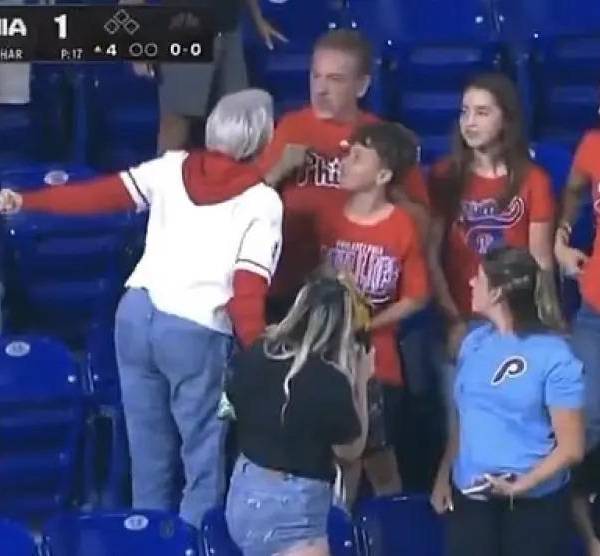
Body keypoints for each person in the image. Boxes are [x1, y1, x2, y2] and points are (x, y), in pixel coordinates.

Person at [0, 89, 294, 530]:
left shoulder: (171, 166)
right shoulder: (262, 201)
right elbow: (246, 293)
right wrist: (260, 357)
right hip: (195, 332)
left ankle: (146, 539)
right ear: (262, 138)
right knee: (202, 459)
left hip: (136, 317)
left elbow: (99, 195)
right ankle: (191, 545)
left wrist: (28, 201)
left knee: (148, 453)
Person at [260, 29, 430, 320]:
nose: (320, 89)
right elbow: (248, 202)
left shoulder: (381, 138)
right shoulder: (291, 127)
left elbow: (423, 222)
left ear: (361, 86)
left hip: (354, 292)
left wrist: (386, 193)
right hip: (288, 284)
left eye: (335, 79)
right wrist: (278, 171)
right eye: (316, 76)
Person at [430, 246, 584, 556]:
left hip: (532, 507)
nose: (471, 283)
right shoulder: (473, 343)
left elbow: (572, 448)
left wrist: (521, 485)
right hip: (472, 498)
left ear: (498, 292)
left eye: (479, 278)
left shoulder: (555, 357)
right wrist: (444, 475)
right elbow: (466, 418)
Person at [318, 122, 430, 503]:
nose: (345, 162)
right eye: (347, 154)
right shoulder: (328, 215)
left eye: (357, 157)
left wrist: (367, 325)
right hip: (329, 356)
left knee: (379, 463)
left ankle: (391, 529)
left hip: (377, 363)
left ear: (383, 175)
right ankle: (340, 528)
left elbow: (416, 296)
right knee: (338, 463)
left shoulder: (401, 226)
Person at [224, 270, 373, 556]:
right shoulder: (330, 380)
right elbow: (350, 451)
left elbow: (229, 406)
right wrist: (362, 383)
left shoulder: (257, 353)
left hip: (242, 495)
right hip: (294, 512)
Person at [428, 73, 562, 359]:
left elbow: (541, 260)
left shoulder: (533, 180)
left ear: (506, 119)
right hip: (462, 318)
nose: (469, 122)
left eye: (482, 112)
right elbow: (431, 256)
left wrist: (547, 320)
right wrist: (453, 319)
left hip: (517, 320)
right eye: (465, 112)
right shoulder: (445, 176)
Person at [133, 0, 287, 153]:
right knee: (178, 123)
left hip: (229, 28)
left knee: (233, 126)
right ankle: (167, 169)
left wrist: (258, 19)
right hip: (185, 27)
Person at [554, 128, 600, 556]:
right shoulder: (592, 144)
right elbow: (573, 190)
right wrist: (561, 239)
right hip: (594, 312)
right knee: (582, 424)